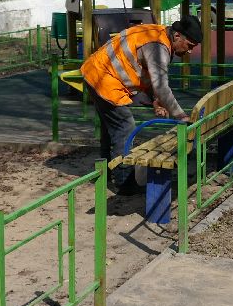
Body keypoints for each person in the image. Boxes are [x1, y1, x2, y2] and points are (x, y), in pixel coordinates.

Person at [80, 18, 201, 198]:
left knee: (110, 128)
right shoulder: (158, 46)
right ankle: (124, 182)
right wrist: (181, 116)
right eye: (189, 45)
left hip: (94, 71)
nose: (190, 51)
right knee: (124, 126)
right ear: (177, 36)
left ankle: (103, 172)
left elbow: (149, 74)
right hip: (103, 78)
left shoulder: (158, 35)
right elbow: (161, 85)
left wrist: (155, 100)